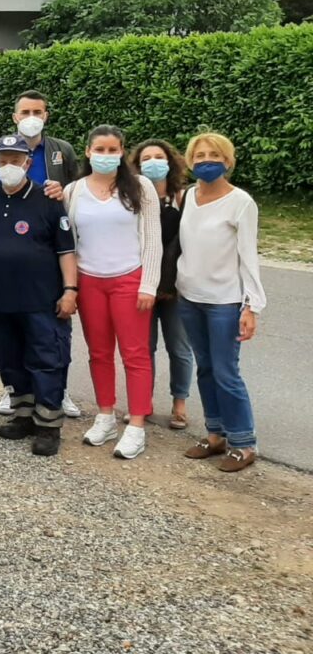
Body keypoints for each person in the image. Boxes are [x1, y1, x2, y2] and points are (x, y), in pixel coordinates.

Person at [0, 135, 78, 457]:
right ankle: (22, 415)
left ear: (28, 164)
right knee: (10, 359)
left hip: (41, 299)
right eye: (2, 160)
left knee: (46, 360)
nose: (8, 166)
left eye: (15, 160)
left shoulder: (47, 198)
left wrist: (70, 291)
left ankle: (48, 424)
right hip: (0, 301)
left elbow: (66, 249)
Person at [62, 126, 161, 460]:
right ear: (88, 152)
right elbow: (69, 243)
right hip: (90, 280)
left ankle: (136, 424)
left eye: (113, 150)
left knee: (135, 354)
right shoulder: (73, 191)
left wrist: (149, 284)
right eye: (100, 150)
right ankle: (105, 415)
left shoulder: (141, 187)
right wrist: (71, 287)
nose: (107, 156)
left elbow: (152, 240)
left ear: (122, 152)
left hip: (129, 279)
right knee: (99, 352)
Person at [176, 133, 266, 472]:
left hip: (225, 302)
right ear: (190, 161)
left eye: (214, 154)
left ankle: (243, 442)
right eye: (198, 155)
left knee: (227, 372)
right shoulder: (186, 196)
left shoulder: (241, 202)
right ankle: (216, 434)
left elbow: (248, 257)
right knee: (206, 368)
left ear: (228, 161)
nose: (205, 159)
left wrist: (251, 306)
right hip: (190, 298)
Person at [0, 90, 82, 419]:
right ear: (15, 117)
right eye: (25, 111)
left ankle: (59, 389)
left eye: (38, 111)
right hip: (15, 244)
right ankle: (15, 391)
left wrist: (64, 195)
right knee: (11, 326)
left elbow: (77, 189)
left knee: (55, 325)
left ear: (46, 115)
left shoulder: (62, 150)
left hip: (52, 242)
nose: (31, 116)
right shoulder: (5, 149)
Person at [134, 139, 194, 429]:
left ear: (171, 162)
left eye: (159, 157)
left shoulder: (184, 198)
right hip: (142, 285)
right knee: (144, 349)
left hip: (176, 287)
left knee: (179, 348)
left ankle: (179, 404)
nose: (153, 162)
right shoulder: (131, 197)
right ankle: (142, 403)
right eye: (146, 158)